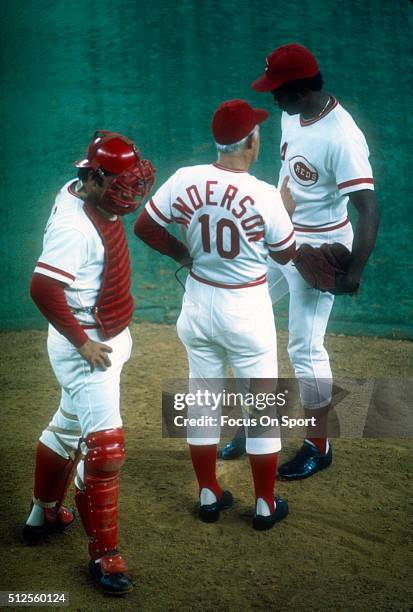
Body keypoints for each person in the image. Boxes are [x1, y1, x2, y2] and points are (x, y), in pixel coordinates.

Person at [220, 43, 380, 479]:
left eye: (277, 89)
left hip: (318, 249)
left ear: (299, 89)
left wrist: (354, 271)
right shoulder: (293, 113)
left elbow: (368, 207)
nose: (272, 97)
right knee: (239, 317)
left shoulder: (342, 136)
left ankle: (318, 444)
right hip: (279, 235)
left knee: (304, 348)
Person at [135, 99, 296, 530]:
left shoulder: (185, 178)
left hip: (199, 306)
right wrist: (286, 213)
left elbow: (145, 226)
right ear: (252, 143)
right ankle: (265, 504)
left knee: (202, 401)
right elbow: (286, 253)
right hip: (246, 312)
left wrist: (184, 254)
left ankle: (209, 494)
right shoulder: (264, 195)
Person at [22, 130, 155, 594]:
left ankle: (44, 514)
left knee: (67, 425)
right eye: (120, 183)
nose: (132, 191)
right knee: (105, 448)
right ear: (94, 179)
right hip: (88, 347)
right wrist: (82, 343)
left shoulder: (81, 188)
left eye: (134, 179)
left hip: (105, 335)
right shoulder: (73, 229)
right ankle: (105, 557)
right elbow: (42, 288)